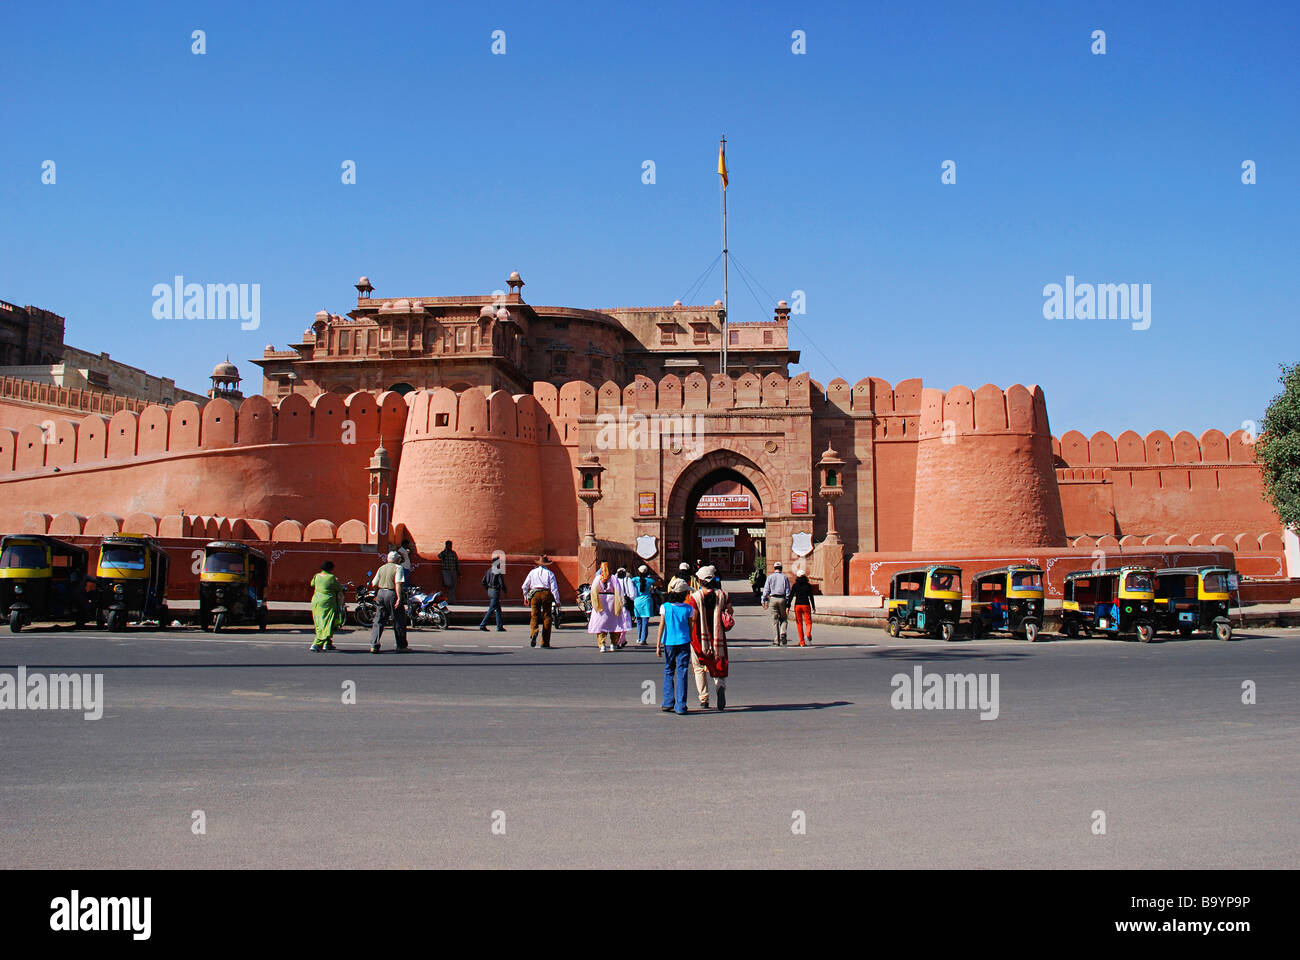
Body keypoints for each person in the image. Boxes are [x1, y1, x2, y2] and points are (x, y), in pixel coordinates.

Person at [687, 566, 732, 710]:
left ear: (699, 580)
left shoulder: (695, 597)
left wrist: (688, 634)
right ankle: (720, 685)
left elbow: (693, 618)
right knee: (718, 662)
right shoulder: (723, 594)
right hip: (717, 636)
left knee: (699, 667)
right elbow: (730, 611)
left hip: (699, 637)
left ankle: (704, 698)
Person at [656, 586, 695, 715]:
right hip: (683, 641)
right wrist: (690, 641)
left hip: (669, 642)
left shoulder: (665, 607)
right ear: (683, 594)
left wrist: (658, 645)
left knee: (669, 670)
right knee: (682, 671)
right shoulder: (688, 608)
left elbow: (662, 625)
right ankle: (681, 705)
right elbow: (690, 627)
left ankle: (667, 702)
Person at [368, 550, 409, 653]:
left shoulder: (381, 568)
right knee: (398, 620)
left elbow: (374, 583)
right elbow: (398, 583)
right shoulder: (398, 568)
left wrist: (379, 592)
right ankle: (401, 646)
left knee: (379, 620)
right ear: (396, 559)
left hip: (381, 594)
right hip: (392, 594)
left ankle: (374, 645)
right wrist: (399, 597)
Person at [588, 561, 627, 653]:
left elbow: (593, 591)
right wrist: (620, 602)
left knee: (601, 623)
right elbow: (619, 590)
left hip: (601, 601)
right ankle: (613, 644)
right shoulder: (613, 578)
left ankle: (602, 645)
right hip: (612, 602)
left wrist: (595, 603)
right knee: (614, 623)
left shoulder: (597, 578)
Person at [521, 555, 559, 648]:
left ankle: (534, 631)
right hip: (546, 594)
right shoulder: (550, 573)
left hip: (535, 595)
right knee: (547, 617)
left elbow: (524, 586)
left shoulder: (532, 572)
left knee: (534, 615)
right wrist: (557, 600)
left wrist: (525, 597)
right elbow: (554, 588)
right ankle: (545, 642)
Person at [309, 560, 344, 651]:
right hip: (328, 602)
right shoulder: (331, 578)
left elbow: (312, 584)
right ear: (331, 569)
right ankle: (317, 643)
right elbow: (339, 588)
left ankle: (327, 643)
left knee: (320, 622)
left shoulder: (316, 576)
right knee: (328, 622)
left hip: (316, 601)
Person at [762, 560, 792, 645]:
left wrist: (763, 600)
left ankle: (776, 640)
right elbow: (787, 591)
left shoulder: (770, 577)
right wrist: (787, 601)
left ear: (774, 568)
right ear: (781, 568)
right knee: (784, 618)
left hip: (773, 598)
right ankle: (783, 632)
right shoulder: (784, 577)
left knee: (774, 620)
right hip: (782, 598)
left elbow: (766, 590)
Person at [791, 568, 817, 646]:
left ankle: (802, 642)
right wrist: (813, 606)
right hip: (806, 604)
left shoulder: (795, 585)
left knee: (799, 624)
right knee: (808, 623)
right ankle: (808, 634)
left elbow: (791, 595)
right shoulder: (808, 585)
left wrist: (788, 605)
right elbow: (811, 597)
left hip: (798, 605)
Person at [479, 558, 506, 632]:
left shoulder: (488, 571)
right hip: (495, 591)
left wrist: (487, 588)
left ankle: (499, 626)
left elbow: (483, 582)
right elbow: (501, 583)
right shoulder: (498, 571)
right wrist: (504, 590)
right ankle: (482, 625)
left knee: (498, 609)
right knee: (491, 609)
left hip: (489, 591)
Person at [631, 565, 656, 645]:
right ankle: (643, 639)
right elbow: (655, 582)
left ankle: (639, 638)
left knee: (638, 621)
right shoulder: (650, 581)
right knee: (645, 621)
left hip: (637, 601)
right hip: (646, 601)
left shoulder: (635, 580)